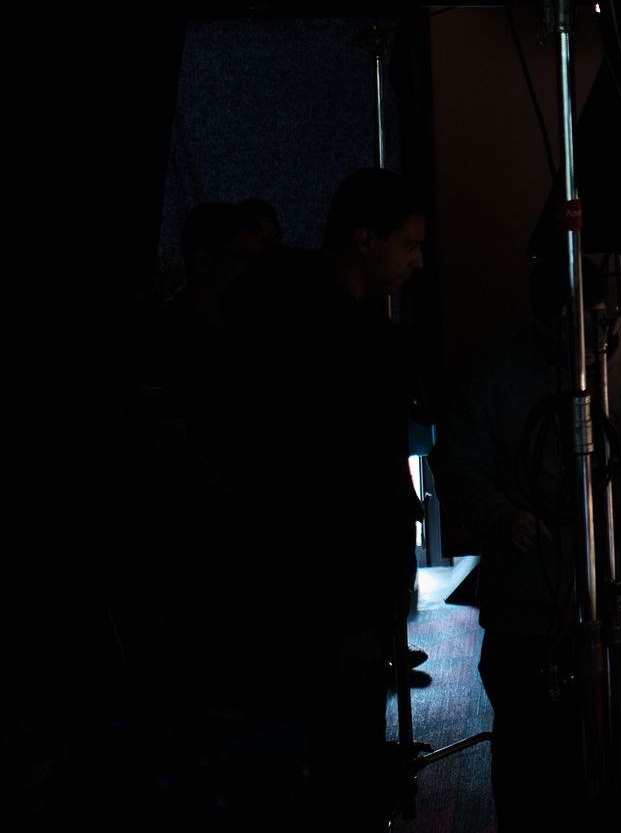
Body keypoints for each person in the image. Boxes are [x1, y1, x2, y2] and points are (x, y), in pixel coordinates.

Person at [434, 257, 621, 830]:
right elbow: (456, 465)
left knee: (616, 760)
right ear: (542, 317)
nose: (585, 340)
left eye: (597, 323)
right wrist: (502, 517)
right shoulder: (499, 375)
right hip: (529, 606)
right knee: (529, 765)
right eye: (567, 326)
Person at [221, 167, 428, 830]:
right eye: (408, 244)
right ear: (366, 240)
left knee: (346, 765)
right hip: (334, 604)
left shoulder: (335, 325)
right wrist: (348, 614)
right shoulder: (321, 337)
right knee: (342, 772)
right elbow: (315, 482)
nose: (417, 260)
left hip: (349, 598)